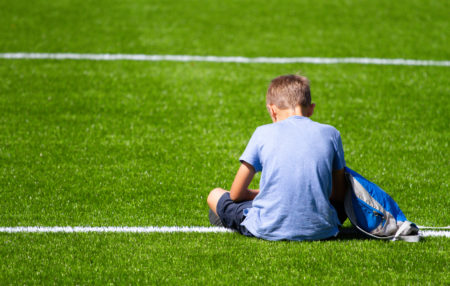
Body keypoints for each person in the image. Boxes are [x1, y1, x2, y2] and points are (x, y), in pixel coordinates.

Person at [207, 74, 347, 241]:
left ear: (272, 110)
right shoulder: (331, 133)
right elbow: (338, 195)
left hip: (267, 225)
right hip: (323, 228)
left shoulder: (262, 133)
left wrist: (264, 193)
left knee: (215, 195)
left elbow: (236, 194)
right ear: (311, 108)